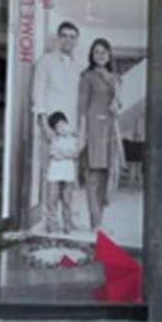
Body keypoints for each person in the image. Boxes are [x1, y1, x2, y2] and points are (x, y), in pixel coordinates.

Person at [78, 38, 124, 233]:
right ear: (92, 55)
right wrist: (83, 135)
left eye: (104, 52)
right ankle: (94, 223)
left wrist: (117, 108)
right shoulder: (87, 77)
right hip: (94, 129)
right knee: (94, 177)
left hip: (111, 129)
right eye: (96, 52)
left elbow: (119, 105)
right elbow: (81, 108)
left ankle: (100, 222)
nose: (100, 55)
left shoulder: (116, 78)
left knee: (107, 176)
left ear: (109, 54)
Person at [32, 21, 82, 146]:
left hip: (72, 128)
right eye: (64, 35)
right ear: (58, 38)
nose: (68, 40)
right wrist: (45, 127)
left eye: (72, 37)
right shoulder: (45, 61)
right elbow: (38, 96)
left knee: (70, 158)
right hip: (51, 126)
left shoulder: (80, 67)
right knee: (49, 158)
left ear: (76, 41)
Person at [44, 111, 80, 234]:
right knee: (52, 200)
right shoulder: (54, 139)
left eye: (64, 124)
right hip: (54, 174)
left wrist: (62, 154)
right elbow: (54, 153)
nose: (62, 128)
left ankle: (67, 225)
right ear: (54, 130)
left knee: (67, 201)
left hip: (68, 174)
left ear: (67, 123)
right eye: (58, 127)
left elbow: (74, 154)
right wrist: (66, 154)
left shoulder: (73, 139)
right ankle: (52, 225)